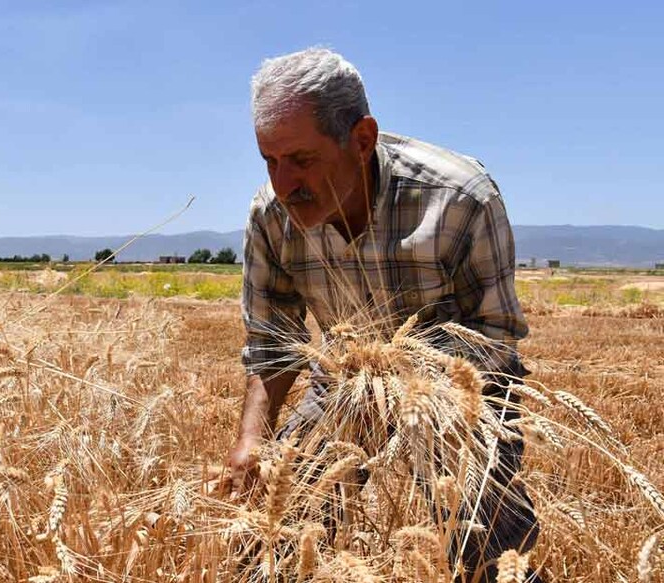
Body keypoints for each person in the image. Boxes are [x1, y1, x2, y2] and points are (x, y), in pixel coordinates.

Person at [225, 47, 540, 582]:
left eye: (301, 160)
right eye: (269, 161)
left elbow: (495, 335)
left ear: (362, 138)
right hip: (343, 383)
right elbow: (271, 341)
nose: (283, 184)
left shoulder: (460, 199)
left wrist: (408, 390)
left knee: (489, 549)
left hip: (460, 392)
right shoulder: (271, 217)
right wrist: (252, 438)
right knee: (269, 540)